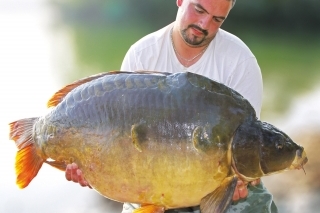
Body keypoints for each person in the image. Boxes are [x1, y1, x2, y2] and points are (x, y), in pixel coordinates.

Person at [65, 0, 279, 212]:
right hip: (146, 178)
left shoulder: (240, 62)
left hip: (213, 180)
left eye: (217, 19)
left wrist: (239, 180)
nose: (204, 24)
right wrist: (92, 167)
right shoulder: (142, 54)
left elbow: (248, 146)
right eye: (198, 10)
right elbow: (119, 138)